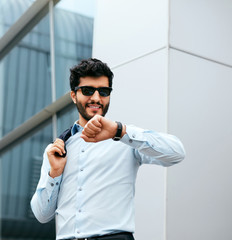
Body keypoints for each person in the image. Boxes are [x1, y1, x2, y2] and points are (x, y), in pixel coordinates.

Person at [30, 58, 185, 240]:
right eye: (88, 91)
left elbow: (176, 153)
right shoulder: (58, 149)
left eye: (103, 91)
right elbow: (42, 215)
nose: (96, 98)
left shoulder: (126, 139)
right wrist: (54, 173)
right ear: (74, 96)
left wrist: (120, 131)